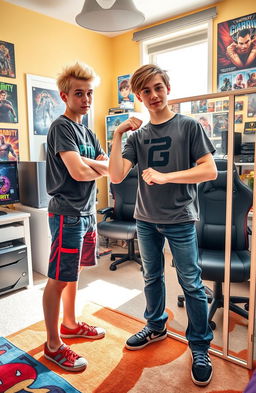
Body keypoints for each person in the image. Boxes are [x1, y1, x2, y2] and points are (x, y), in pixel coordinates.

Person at [109, 64, 217, 387]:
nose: (154, 96)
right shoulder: (138, 137)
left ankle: (200, 346)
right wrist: (117, 134)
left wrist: (166, 176)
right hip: (145, 220)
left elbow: (210, 170)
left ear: (167, 87)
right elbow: (115, 176)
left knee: (192, 284)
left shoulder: (188, 127)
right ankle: (156, 326)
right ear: (139, 96)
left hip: (181, 219)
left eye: (158, 87)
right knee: (151, 277)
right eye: (146, 91)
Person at [43, 62, 109, 372]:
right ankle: (53, 344)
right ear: (65, 96)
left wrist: (93, 165)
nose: (86, 99)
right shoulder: (61, 127)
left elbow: (108, 167)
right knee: (57, 278)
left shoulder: (89, 131)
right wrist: (90, 165)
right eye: (79, 93)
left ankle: (69, 323)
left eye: (89, 93)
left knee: (73, 273)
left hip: (87, 212)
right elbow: (81, 171)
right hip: (67, 214)